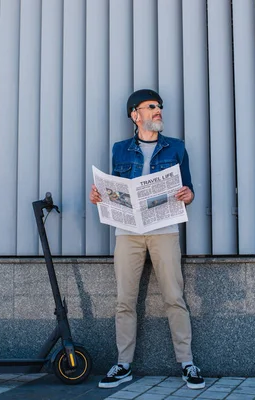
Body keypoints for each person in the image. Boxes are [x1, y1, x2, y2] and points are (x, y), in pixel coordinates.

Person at [89, 89, 205, 390]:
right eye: (151, 107)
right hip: (128, 233)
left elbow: (188, 189)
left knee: (174, 298)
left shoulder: (176, 148)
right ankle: (123, 365)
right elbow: (114, 190)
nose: (158, 111)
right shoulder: (119, 150)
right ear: (135, 115)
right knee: (124, 301)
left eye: (160, 107)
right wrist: (99, 196)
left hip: (164, 229)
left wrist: (188, 195)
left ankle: (187, 363)